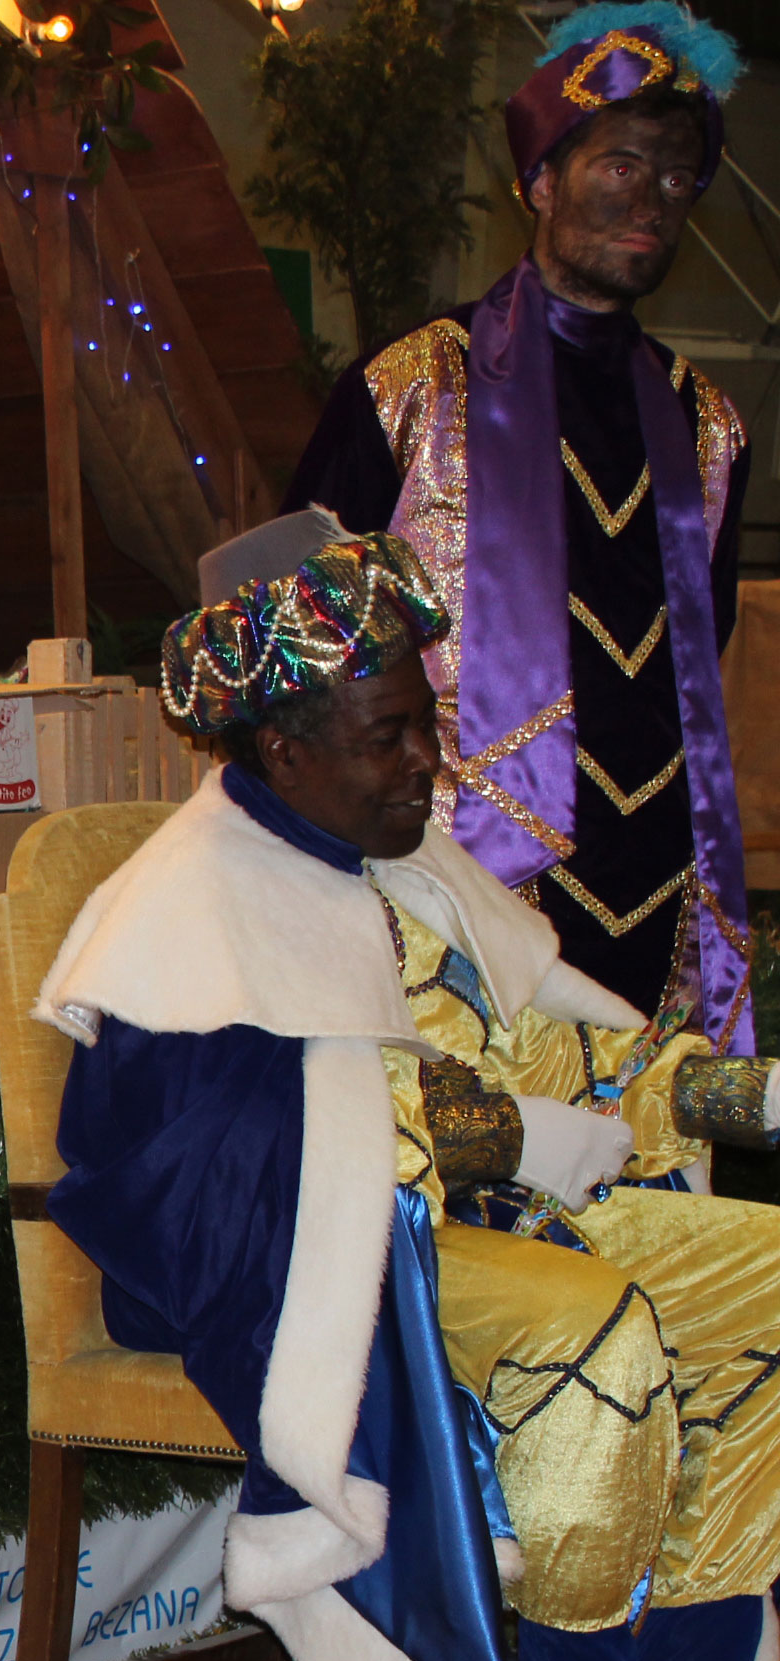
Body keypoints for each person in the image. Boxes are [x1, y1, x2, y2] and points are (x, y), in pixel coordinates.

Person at [38, 524, 780, 1661]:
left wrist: (748, 1097)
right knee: (592, 1325)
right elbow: (195, 1170)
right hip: (341, 1261)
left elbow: (570, 1055)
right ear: (285, 751)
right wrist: (492, 1139)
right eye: (388, 738)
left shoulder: (411, 865)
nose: (426, 763)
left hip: (495, 1221)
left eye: (425, 727)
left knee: (765, 1276)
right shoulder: (184, 909)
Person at [283, 0, 749, 1048]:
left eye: (678, 180)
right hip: (448, 872)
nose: (652, 200)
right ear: (541, 182)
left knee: (641, 1143)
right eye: (622, 165)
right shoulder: (412, 386)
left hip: (659, 877)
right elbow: (296, 638)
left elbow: (702, 656)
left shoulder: (710, 426)